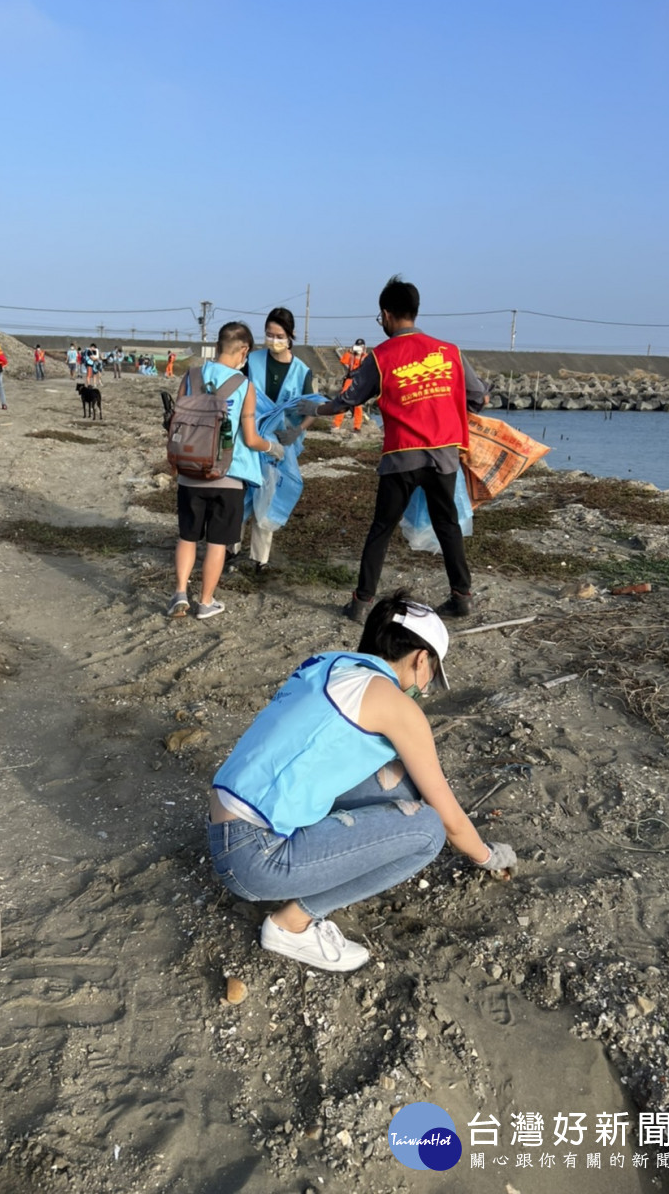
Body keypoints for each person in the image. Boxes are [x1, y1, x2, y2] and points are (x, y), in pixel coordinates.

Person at [207, 591, 517, 972]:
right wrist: (487, 856)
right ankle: (293, 924)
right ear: (422, 660)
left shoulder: (328, 663)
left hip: (226, 826)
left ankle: (303, 863)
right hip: (255, 858)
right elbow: (449, 818)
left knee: (404, 789)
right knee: (428, 831)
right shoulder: (396, 704)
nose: (426, 687)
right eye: (432, 676)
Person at [297, 276, 488, 621]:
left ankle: (361, 602)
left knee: (382, 528)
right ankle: (462, 597)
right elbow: (479, 397)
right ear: (414, 311)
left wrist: (314, 408)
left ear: (386, 314)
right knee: (448, 524)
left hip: (401, 456)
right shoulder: (450, 352)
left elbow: (348, 400)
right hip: (444, 455)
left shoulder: (382, 356)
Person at [167, 322, 285, 621]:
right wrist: (274, 449)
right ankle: (205, 602)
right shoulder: (244, 386)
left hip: (189, 472)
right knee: (217, 542)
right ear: (244, 351)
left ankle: (180, 594)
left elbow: (176, 422)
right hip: (228, 477)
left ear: (218, 345)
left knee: (187, 537)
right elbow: (251, 438)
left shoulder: (190, 376)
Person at [230, 307, 315, 574]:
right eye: (269, 334)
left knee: (268, 494)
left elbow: (311, 407)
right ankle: (230, 549)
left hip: (281, 442)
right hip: (249, 436)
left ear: (290, 336)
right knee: (240, 491)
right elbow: (237, 390)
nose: (273, 339)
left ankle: (260, 559)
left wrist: (297, 430)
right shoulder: (252, 361)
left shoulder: (302, 371)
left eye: (279, 335)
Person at [331, 338, 369, 433]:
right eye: (357, 346)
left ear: (364, 347)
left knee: (358, 405)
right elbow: (343, 361)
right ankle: (336, 424)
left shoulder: (366, 357)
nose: (359, 348)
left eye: (361, 347)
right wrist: (350, 351)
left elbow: (369, 367)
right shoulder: (350, 355)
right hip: (349, 380)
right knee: (342, 401)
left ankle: (357, 426)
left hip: (359, 382)